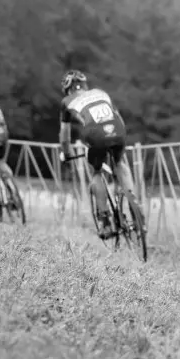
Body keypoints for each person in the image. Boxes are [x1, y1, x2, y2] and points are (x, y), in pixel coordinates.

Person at [58, 70, 138, 239]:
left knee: (96, 172)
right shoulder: (100, 93)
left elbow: (65, 136)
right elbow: (117, 115)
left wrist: (66, 153)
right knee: (119, 163)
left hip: (95, 134)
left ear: (67, 90)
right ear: (85, 85)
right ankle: (134, 203)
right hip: (118, 129)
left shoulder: (67, 101)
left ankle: (106, 222)